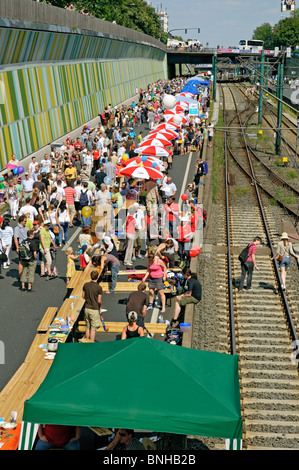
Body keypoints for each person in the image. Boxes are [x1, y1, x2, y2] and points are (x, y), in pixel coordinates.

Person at [82, 270, 103, 341]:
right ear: (97, 277)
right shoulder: (99, 288)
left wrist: (88, 300)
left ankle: (87, 341)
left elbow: (83, 296)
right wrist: (99, 307)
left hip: (87, 308)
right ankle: (91, 343)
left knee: (88, 326)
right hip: (94, 309)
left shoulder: (86, 285)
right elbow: (99, 301)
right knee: (93, 328)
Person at [14, 215, 28, 280]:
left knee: (26, 261)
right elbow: (15, 238)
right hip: (22, 246)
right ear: (21, 221)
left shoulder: (25, 227)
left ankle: (25, 275)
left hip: (27, 245)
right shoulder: (17, 228)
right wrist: (17, 247)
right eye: (25, 221)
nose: (26, 222)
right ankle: (20, 276)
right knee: (21, 261)